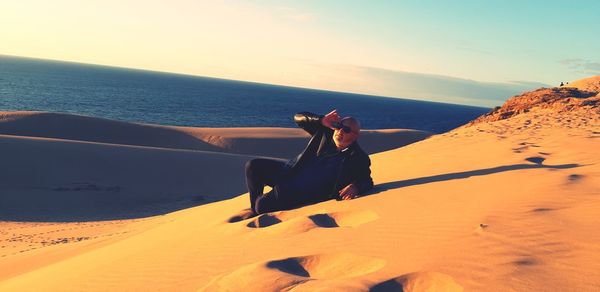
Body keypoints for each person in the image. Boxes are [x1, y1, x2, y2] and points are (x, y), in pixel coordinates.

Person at [244, 109, 374, 215]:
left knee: (261, 206)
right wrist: (321, 120)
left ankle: (257, 210)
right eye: (339, 126)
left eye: (346, 130)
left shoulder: (358, 158)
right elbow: (298, 118)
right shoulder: (325, 133)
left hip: (299, 191)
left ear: (356, 136)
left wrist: (356, 187)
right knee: (253, 166)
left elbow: (367, 180)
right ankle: (254, 212)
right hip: (290, 171)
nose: (340, 131)